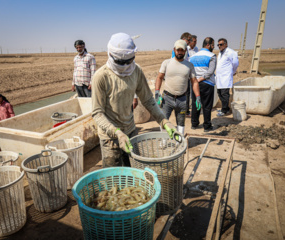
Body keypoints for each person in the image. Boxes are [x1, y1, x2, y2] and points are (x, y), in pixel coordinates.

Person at [92, 32, 178, 168]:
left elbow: (148, 100)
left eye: (128, 61)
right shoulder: (101, 76)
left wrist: (164, 121)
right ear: (110, 55)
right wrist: (117, 133)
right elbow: (97, 113)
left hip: (131, 131)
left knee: (133, 170)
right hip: (110, 138)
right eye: (121, 62)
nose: (125, 65)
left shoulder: (136, 71)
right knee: (113, 179)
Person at [155, 39, 202, 136]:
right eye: (178, 50)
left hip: (182, 99)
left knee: (181, 123)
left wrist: (197, 96)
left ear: (185, 51)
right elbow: (159, 77)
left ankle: (180, 142)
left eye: (182, 50)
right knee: (164, 120)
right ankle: (164, 140)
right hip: (167, 98)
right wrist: (156, 92)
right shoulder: (166, 63)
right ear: (174, 50)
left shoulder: (189, 65)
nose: (180, 52)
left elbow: (194, 82)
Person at [190, 37, 217, 132]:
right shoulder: (212, 56)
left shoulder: (193, 57)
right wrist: (201, 79)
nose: (214, 47)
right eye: (213, 45)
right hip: (207, 84)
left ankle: (194, 124)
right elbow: (210, 72)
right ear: (208, 45)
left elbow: (190, 71)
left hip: (195, 83)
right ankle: (207, 126)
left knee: (195, 103)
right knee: (207, 106)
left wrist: (196, 80)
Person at [215, 38, 239, 116]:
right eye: (218, 45)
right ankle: (225, 109)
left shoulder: (231, 52)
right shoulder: (220, 53)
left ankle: (224, 110)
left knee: (225, 94)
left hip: (226, 77)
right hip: (219, 77)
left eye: (221, 44)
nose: (219, 46)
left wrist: (233, 72)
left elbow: (235, 63)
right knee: (219, 93)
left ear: (226, 44)